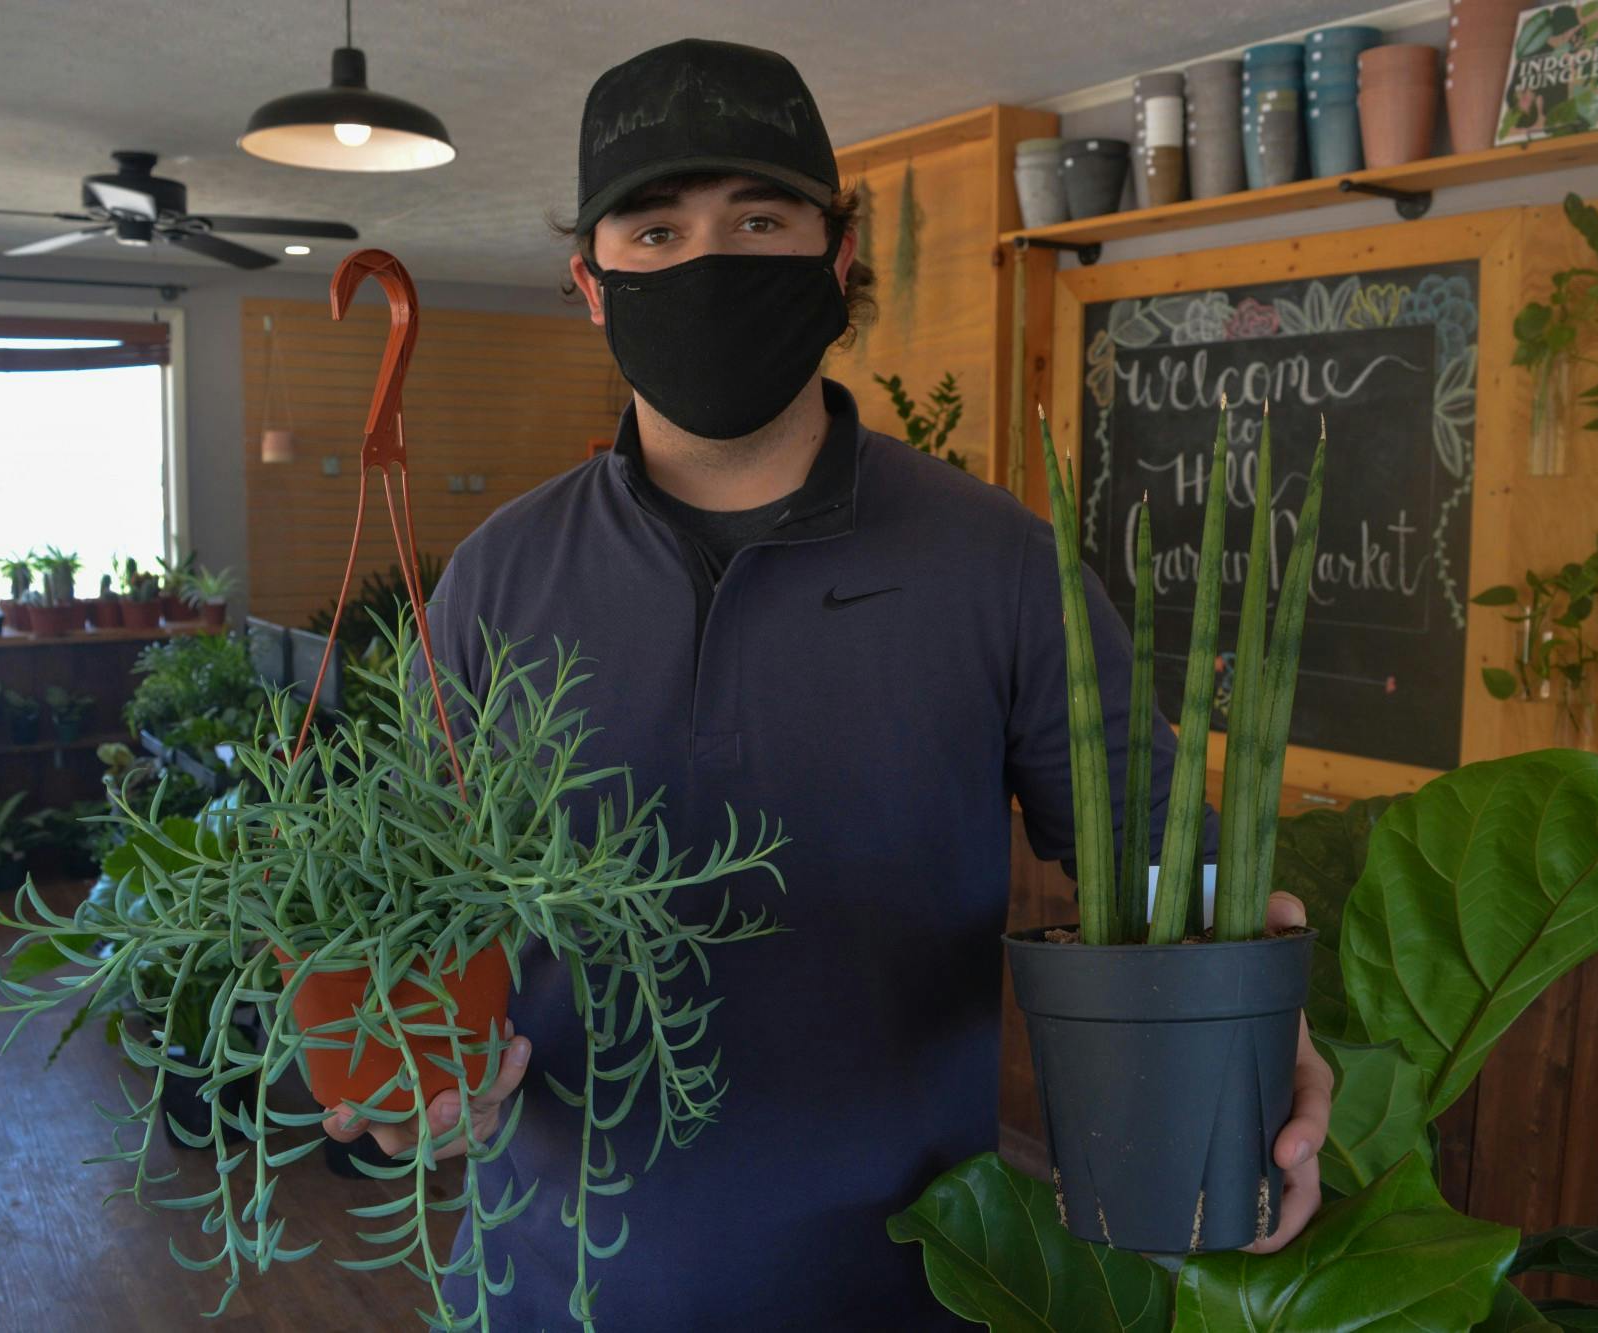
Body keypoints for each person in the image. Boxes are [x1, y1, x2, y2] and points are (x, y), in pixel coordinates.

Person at [322, 37, 1333, 1330]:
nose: (707, 261)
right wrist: (402, 1090)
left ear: (837, 256)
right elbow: (404, 901)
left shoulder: (1002, 566)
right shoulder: (497, 576)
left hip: (908, 1282)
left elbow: (1161, 864)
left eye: (759, 221)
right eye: (655, 231)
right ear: (591, 282)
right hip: (549, 1281)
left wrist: (1263, 1039)